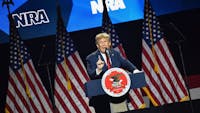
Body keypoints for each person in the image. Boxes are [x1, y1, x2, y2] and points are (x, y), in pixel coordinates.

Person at [86, 32, 140, 113]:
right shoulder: (91, 57)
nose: (104, 44)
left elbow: (125, 63)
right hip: (102, 97)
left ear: (109, 43)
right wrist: (98, 69)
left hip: (118, 94)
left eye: (106, 42)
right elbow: (91, 74)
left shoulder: (115, 54)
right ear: (97, 45)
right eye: (101, 42)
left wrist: (135, 70)